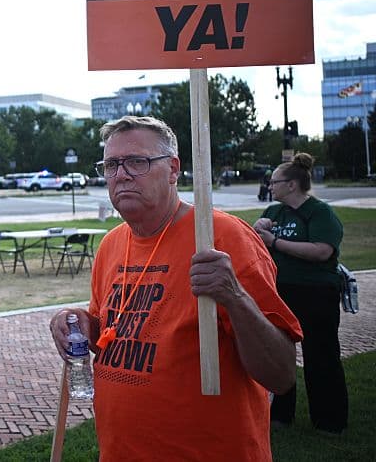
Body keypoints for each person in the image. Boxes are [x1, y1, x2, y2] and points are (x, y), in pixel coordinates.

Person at [48, 116, 302, 461]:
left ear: (173, 169)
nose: (121, 174)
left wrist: (234, 296)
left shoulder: (221, 237)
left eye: (137, 162)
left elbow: (282, 374)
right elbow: (114, 335)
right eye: (111, 165)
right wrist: (77, 323)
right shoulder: (111, 245)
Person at [254, 152, 348, 433]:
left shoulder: (320, 212)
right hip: (279, 293)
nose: (270, 186)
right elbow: (257, 242)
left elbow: (322, 251)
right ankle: (280, 416)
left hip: (316, 293)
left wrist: (276, 242)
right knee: (279, 354)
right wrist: (257, 229)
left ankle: (329, 421)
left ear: (292, 184)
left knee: (321, 355)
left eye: (275, 182)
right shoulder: (273, 212)